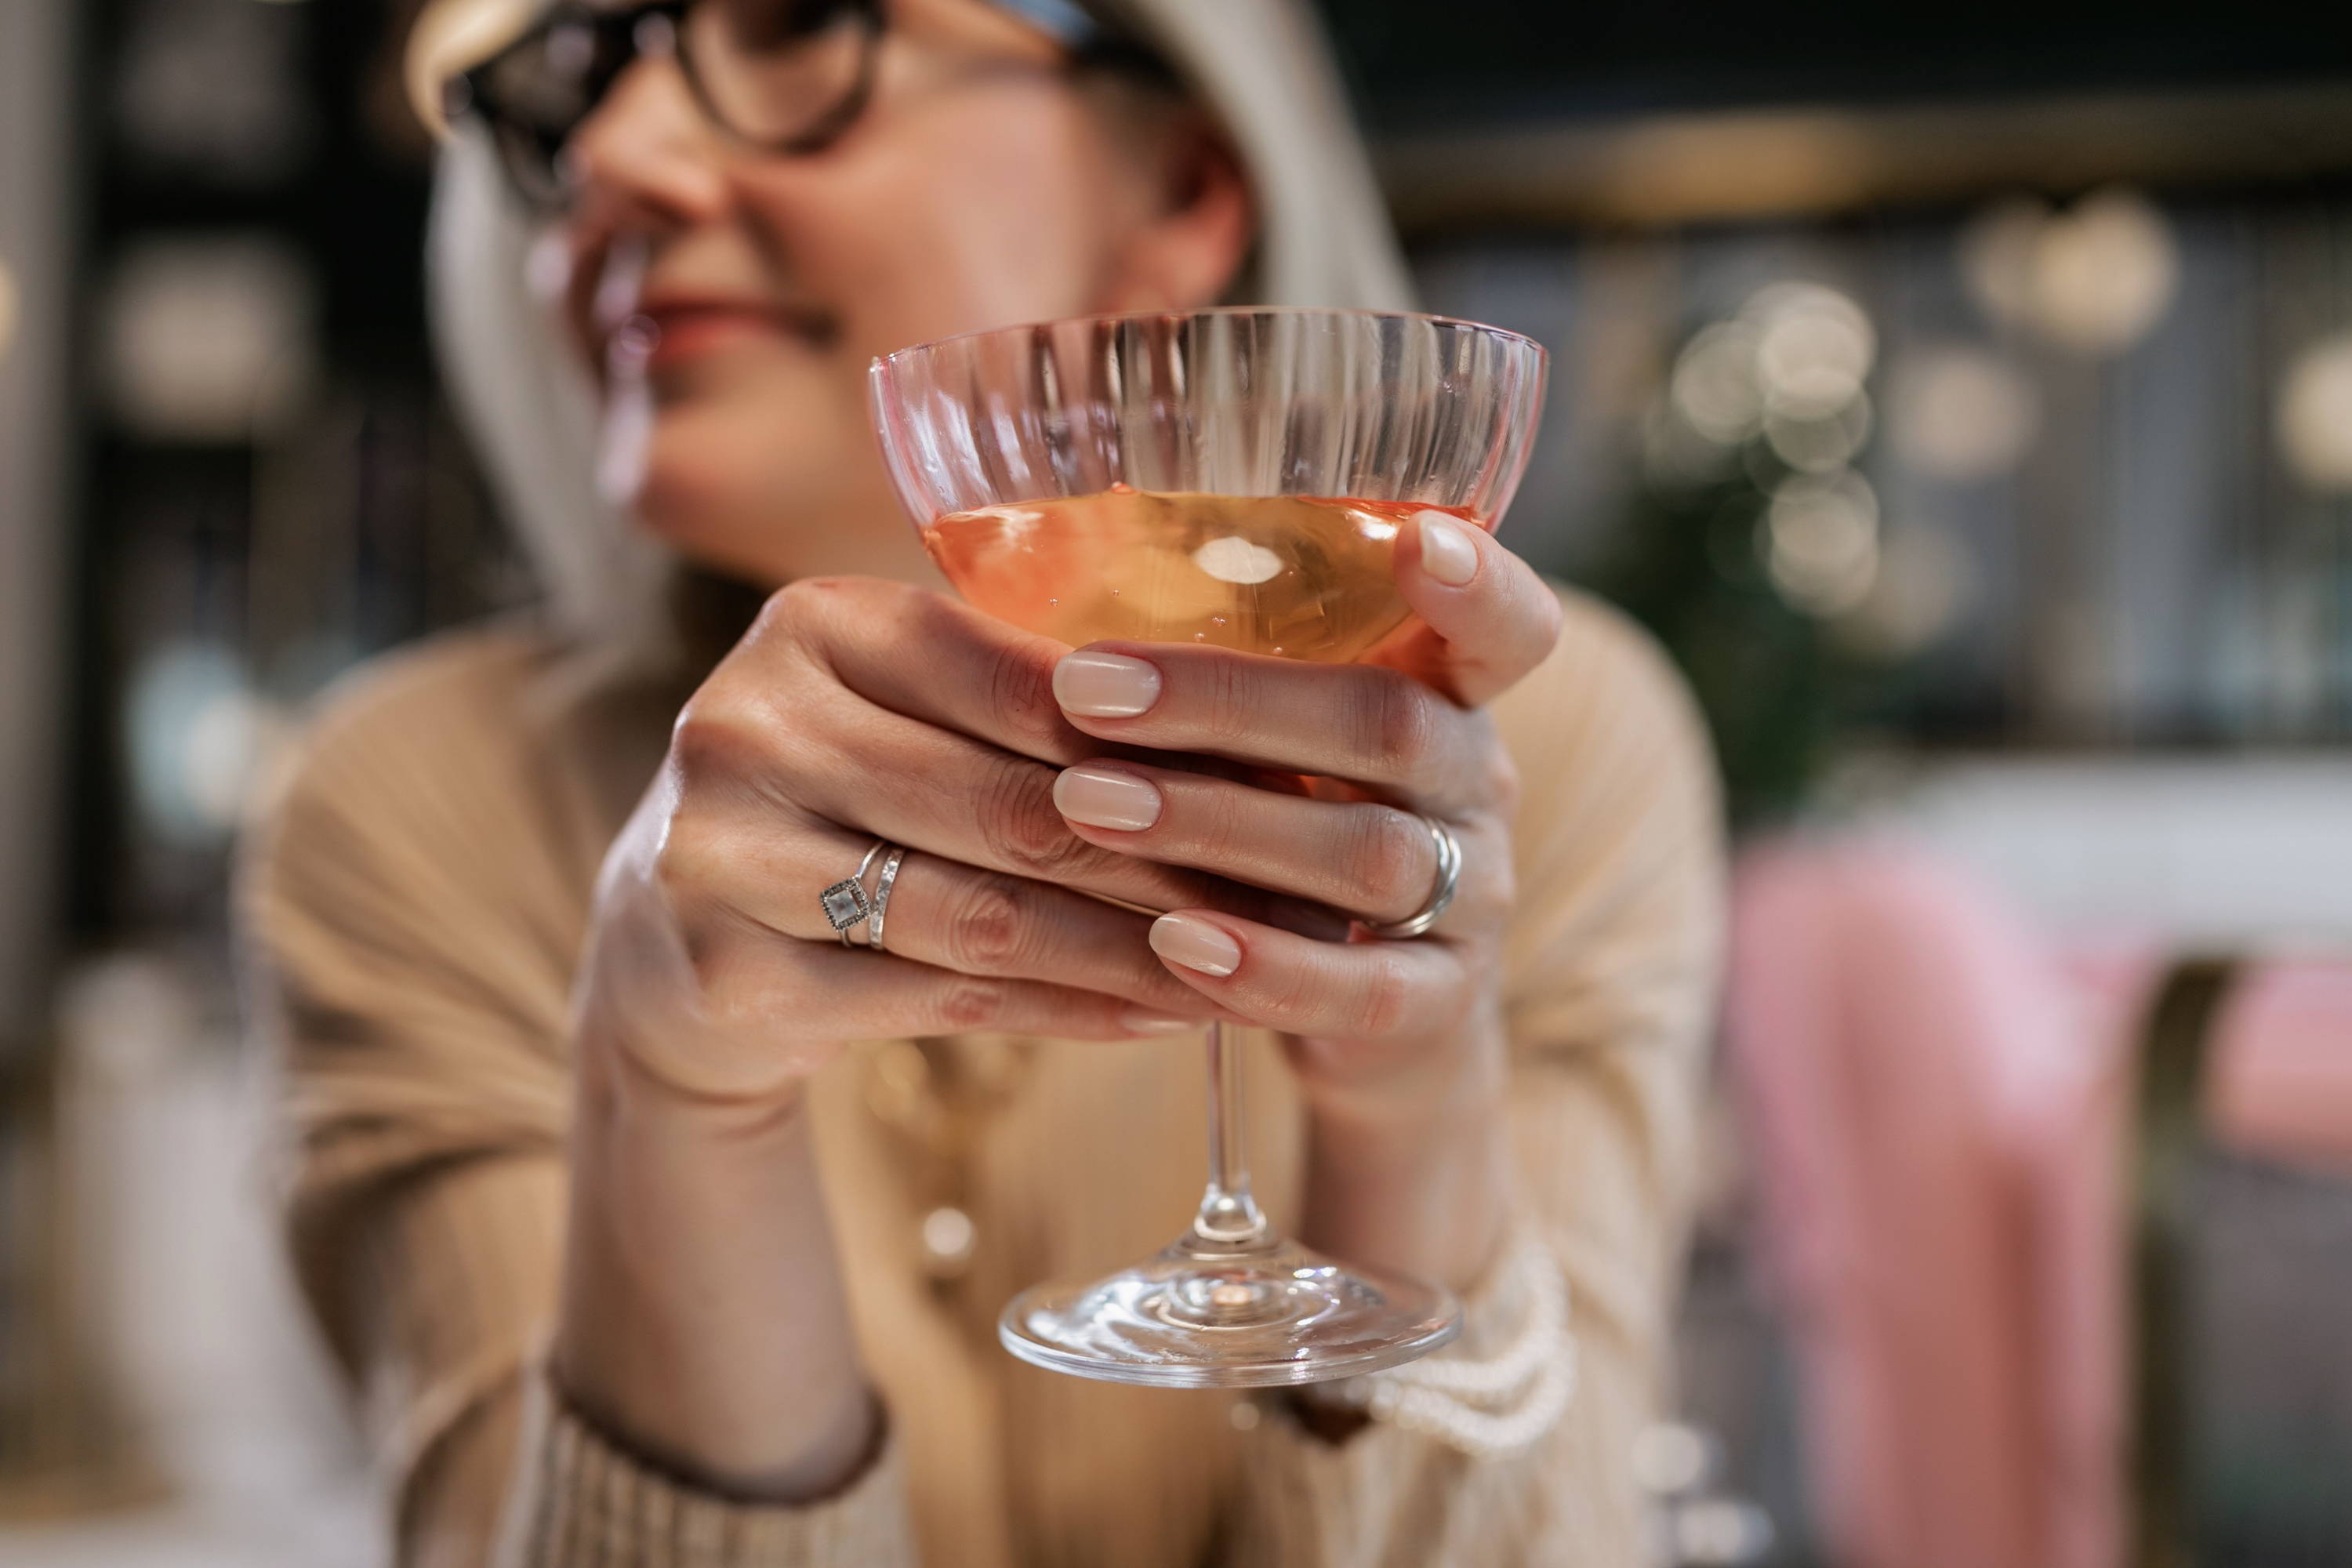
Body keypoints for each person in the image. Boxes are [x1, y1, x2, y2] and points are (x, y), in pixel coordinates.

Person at [241, 0, 1726, 1563]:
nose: (617, 154)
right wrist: (667, 1098)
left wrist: (1415, 1116)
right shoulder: (424, 804)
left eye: (797, 29)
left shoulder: (1534, 748)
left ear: (1182, 195)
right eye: (572, 77)